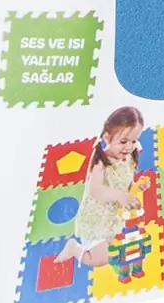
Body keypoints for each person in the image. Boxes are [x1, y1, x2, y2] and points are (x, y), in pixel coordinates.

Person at [54, 106, 150, 268]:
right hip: (96, 220)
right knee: (101, 260)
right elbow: (95, 190)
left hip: (114, 217)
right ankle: (74, 249)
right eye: (123, 141)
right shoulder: (100, 162)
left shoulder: (128, 158)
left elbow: (124, 185)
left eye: (134, 141)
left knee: (121, 249)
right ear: (107, 137)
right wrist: (120, 196)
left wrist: (137, 187)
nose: (129, 147)